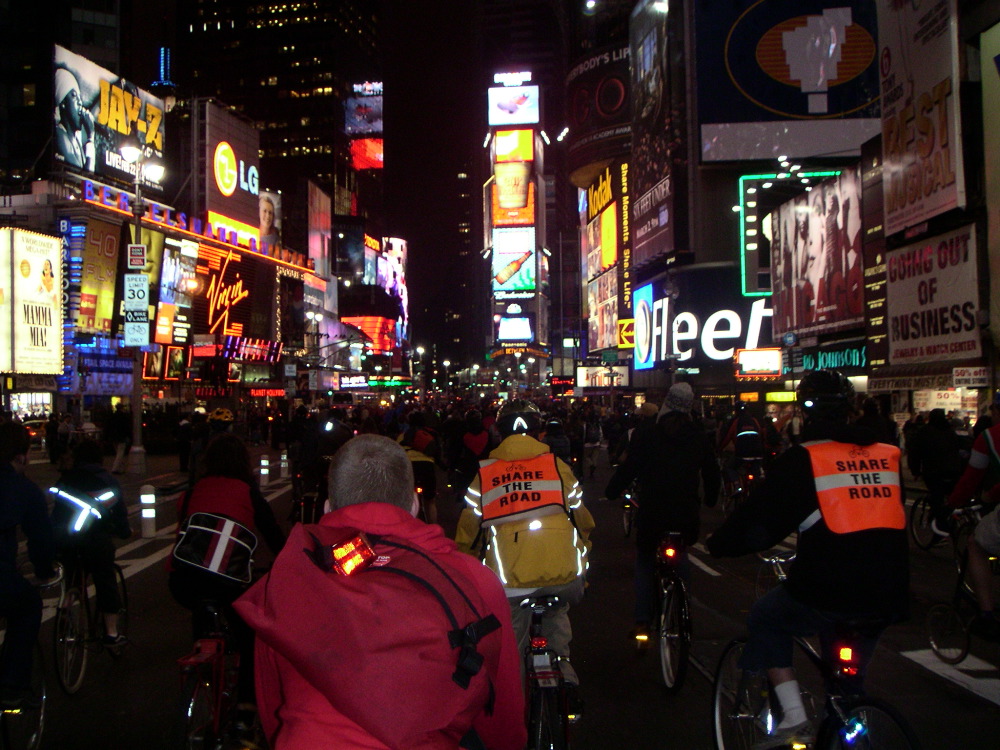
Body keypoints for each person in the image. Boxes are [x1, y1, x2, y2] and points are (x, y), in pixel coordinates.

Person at [235, 435, 526, 749]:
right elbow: (499, 707)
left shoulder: (289, 580)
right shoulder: (472, 579)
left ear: (328, 507)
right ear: (414, 505)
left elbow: (272, 704)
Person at [707, 370, 909, 748]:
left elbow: (761, 520)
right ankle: (850, 724)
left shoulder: (805, 459)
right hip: (888, 590)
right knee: (848, 687)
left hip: (826, 588)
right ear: (850, 409)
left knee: (766, 618)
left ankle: (794, 716)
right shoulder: (888, 454)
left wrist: (719, 544)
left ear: (805, 410)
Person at [455, 399, 594, 708]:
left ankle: (514, 710)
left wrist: (465, 563)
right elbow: (582, 519)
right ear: (537, 432)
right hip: (565, 575)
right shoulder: (558, 468)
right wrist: (585, 553)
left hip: (511, 584)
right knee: (558, 612)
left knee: (511, 648)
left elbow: (469, 532)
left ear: (499, 433)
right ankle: (567, 678)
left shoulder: (485, 475)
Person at [169, 433, 286, 732]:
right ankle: (246, 710)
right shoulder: (247, 492)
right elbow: (273, 536)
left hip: (182, 580)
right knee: (249, 639)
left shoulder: (194, 490)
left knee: (203, 613)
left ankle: (201, 668)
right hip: (229, 581)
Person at [604, 382, 720, 641]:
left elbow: (630, 467)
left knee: (645, 560)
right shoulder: (696, 434)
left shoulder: (648, 432)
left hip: (653, 510)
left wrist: (612, 491)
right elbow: (712, 472)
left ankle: (643, 622)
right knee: (682, 559)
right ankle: (684, 611)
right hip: (685, 511)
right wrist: (711, 499)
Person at [49, 438, 131, 646]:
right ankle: (112, 633)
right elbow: (119, 513)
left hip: (66, 540)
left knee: (72, 578)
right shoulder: (107, 480)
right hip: (96, 541)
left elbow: (57, 511)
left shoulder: (65, 479)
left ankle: (66, 607)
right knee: (105, 580)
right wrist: (124, 531)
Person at [0, 422, 58, 708]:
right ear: (21, 455)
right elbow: (41, 540)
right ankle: (12, 684)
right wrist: (45, 570)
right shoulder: (21, 488)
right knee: (27, 606)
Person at [944, 393, 1000, 639]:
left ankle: (987, 614)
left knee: (976, 545)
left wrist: (954, 503)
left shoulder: (988, 437)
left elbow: (971, 479)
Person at [907, 408, 967, 527]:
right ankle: (955, 519)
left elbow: (915, 453)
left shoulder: (924, 432)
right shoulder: (951, 431)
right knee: (951, 497)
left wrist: (915, 471)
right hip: (954, 470)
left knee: (936, 498)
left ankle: (939, 528)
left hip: (933, 471)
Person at [54, 67, 96, 171]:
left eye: (80, 98)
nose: (80, 102)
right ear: (63, 103)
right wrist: (91, 137)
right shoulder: (59, 133)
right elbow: (84, 178)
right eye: (74, 96)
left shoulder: (76, 141)